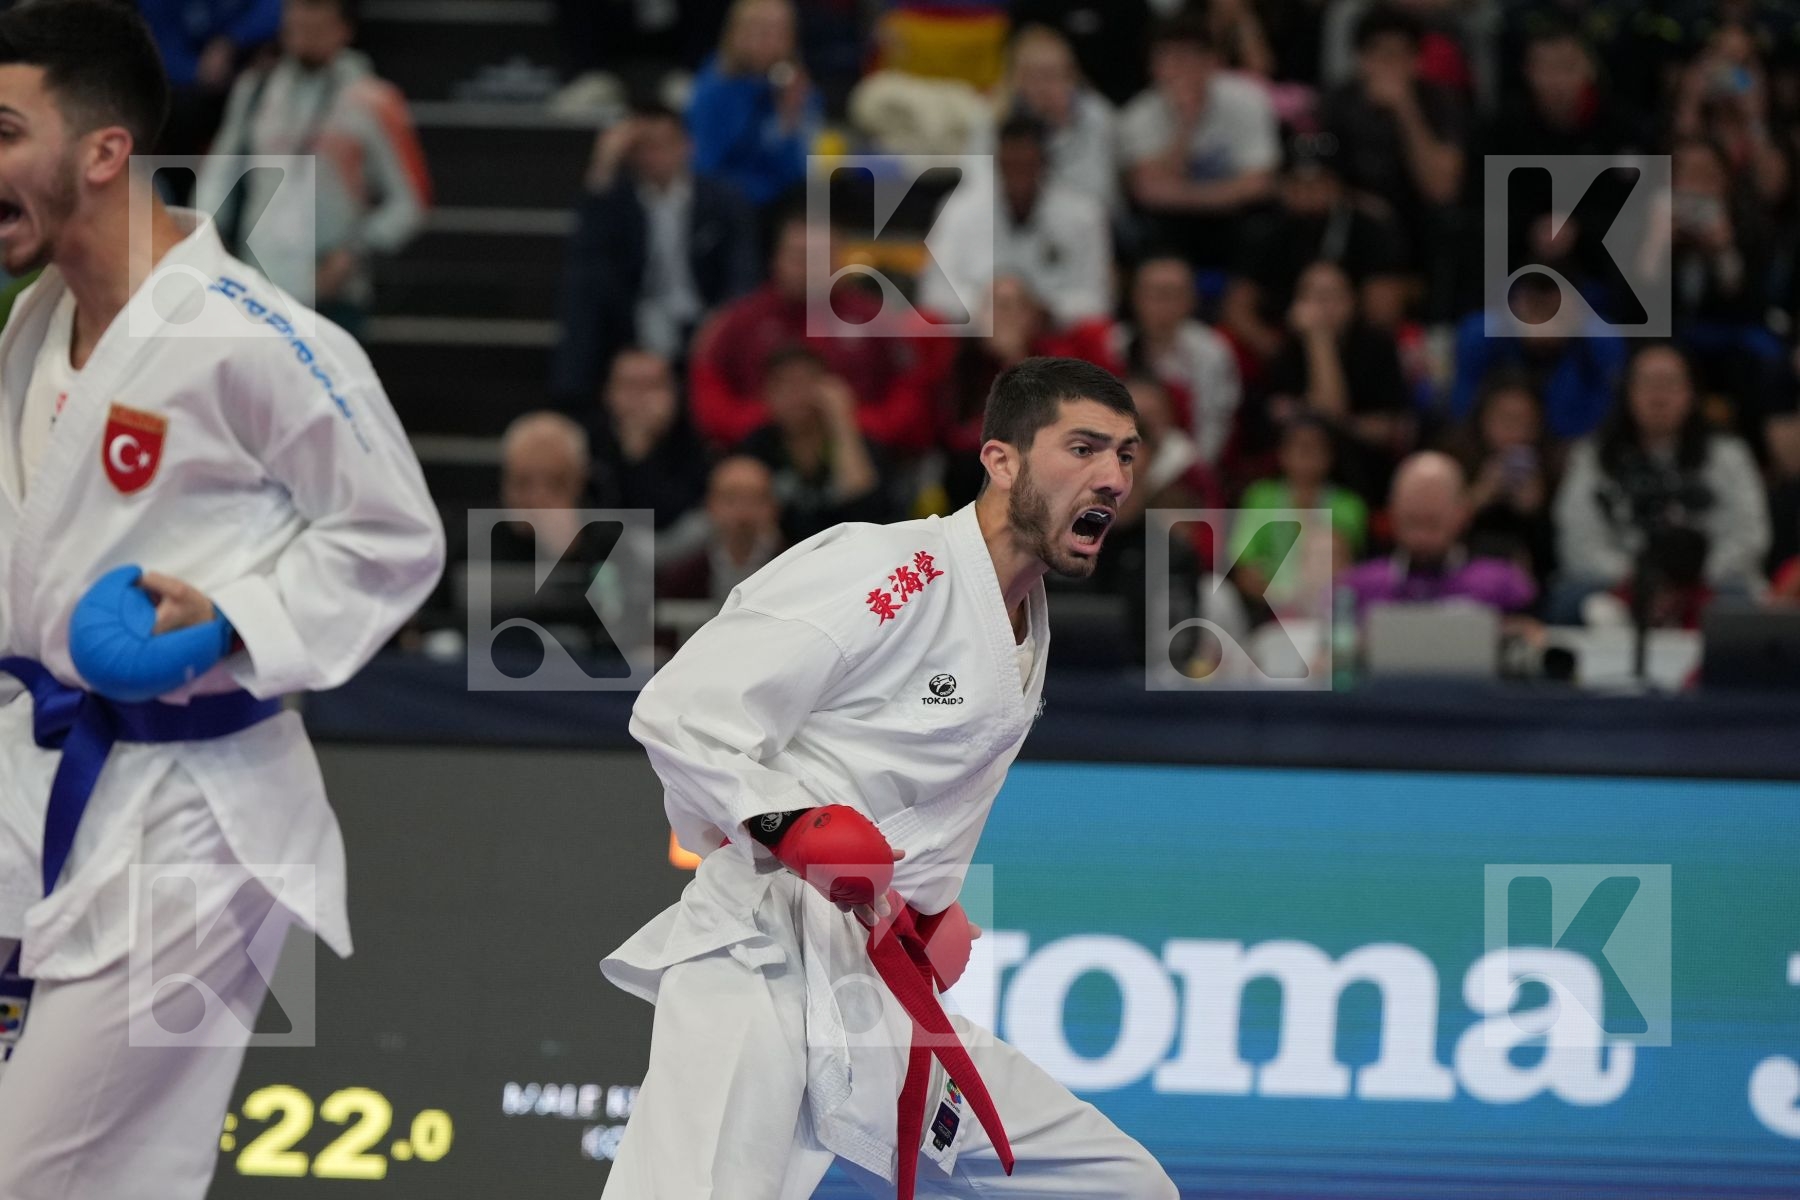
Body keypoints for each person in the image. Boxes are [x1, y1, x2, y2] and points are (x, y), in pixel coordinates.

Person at [0, 6, 444, 1199]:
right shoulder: (35, 325)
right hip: (47, 791)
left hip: (196, 825)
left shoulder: (254, 339)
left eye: (2, 132)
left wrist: (234, 615)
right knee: (121, 1179)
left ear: (101, 152)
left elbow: (397, 536)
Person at [600, 355, 1176, 1200]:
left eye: (1126, 455)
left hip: (872, 982)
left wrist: (931, 906)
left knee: (1125, 1188)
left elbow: (901, 783)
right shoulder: (891, 568)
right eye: (1083, 447)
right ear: (1001, 459)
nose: (1112, 477)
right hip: (757, 953)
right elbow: (680, 707)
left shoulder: (1025, 625)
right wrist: (787, 823)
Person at [197, 0, 431, 339]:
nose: (304, 37)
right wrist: (208, 236)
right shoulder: (257, 89)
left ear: (343, 29)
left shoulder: (373, 100)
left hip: (331, 288)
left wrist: (354, 251)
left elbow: (411, 200)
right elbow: (219, 173)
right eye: (296, 27)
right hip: (259, 281)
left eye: (317, 27)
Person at [550, 105, 758, 406]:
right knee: (583, 291)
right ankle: (574, 403)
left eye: (662, 144)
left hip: (703, 321)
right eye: (643, 147)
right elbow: (587, 255)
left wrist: (718, 323)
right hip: (634, 323)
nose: (653, 156)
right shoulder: (615, 201)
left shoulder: (722, 200)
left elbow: (743, 272)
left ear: (687, 145)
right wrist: (604, 163)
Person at [1550, 343, 1771, 622]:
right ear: (1627, 392)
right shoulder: (1591, 456)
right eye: (1647, 383)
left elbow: (1749, 536)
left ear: (1691, 393)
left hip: (1709, 583)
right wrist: (1641, 583)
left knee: (1743, 601)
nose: (1658, 396)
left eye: (1670, 383)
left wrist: (1692, 582)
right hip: (1619, 585)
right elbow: (1578, 541)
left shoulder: (1729, 455)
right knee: (1569, 598)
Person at [688, 214, 938, 452]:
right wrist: (763, 419)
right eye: (799, 256)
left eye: (820, 257)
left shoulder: (877, 319)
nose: (809, 267)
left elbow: (911, 393)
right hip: (759, 454)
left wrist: (862, 424)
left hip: (862, 451)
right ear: (776, 259)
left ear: (840, 260)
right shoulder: (739, 320)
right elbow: (709, 390)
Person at [1223, 127, 1411, 361]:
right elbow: (1238, 305)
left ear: (1338, 184)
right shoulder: (1266, 229)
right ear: (1283, 186)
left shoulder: (1367, 228)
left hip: (1356, 346)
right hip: (1285, 343)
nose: (1308, 193)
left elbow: (1383, 309)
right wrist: (1279, 354)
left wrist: (1345, 354)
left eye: (1319, 182)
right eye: (1298, 183)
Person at [1117, 15, 1279, 269]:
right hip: (1175, 221)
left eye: (1189, 58)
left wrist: (1189, 195)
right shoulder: (1138, 116)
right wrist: (1185, 128)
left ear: (1211, 61)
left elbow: (1260, 183)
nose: (1180, 69)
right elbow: (1147, 191)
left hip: (1233, 217)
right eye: (1169, 59)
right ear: (1152, 66)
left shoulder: (1248, 98)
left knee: (1266, 224)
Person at [921, 113, 1112, 328]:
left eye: (1027, 164)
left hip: (1051, 332)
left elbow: (1097, 300)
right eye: (1010, 164)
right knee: (924, 324)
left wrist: (1044, 310)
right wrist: (995, 308)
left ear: (1045, 162)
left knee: (1097, 333)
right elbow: (935, 294)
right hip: (978, 332)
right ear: (997, 162)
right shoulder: (958, 209)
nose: (1018, 174)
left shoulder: (1083, 215)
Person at [1258, 259, 1412, 503]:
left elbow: (1334, 413)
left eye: (1331, 296)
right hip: (1298, 471)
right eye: (1312, 297)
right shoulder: (1286, 350)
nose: (1321, 307)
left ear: (1352, 301)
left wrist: (1319, 339)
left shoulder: (1378, 346)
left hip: (1366, 472)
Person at [1337, 452, 1536, 618]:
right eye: (1412, 522)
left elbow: (1535, 636)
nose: (1421, 538)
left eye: (1432, 524)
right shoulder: (1357, 588)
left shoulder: (1503, 585)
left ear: (1461, 515)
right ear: (1393, 515)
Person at [738, 345, 893, 545]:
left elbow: (866, 510)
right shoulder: (756, 447)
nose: (795, 395)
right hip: (779, 558)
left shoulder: (858, 443)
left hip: (848, 550)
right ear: (767, 394)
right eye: (783, 384)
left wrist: (842, 422)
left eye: (805, 382)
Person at [686, 0, 820, 213]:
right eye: (759, 29)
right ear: (735, 33)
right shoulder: (713, 87)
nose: (769, 40)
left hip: (784, 205)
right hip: (725, 205)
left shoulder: (799, 90)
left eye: (779, 31)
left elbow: (803, 168)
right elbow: (706, 166)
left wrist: (789, 116)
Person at [1113, 253, 1242, 469]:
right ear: (1135, 297)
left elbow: (1214, 426)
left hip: (1182, 464)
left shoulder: (1211, 351)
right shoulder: (1115, 344)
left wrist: (1194, 473)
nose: (1162, 304)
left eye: (1172, 294)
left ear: (1191, 299)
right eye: (1154, 294)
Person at [977, 24, 1118, 209]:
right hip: (1009, 221)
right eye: (1033, 76)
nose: (1043, 88)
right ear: (1016, 80)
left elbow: (1100, 195)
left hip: (1083, 223)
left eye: (1052, 75)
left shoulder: (1097, 116)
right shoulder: (994, 117)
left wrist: (1062, 129)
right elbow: (978, 187)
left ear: (1071, 76)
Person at [1444, 372, 1559, 586]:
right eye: (1505, 419)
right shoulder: (1454, 461)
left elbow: (1558, 559)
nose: (1514, 431)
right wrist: (1476, 499)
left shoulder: (1553, 466)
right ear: (1483, 419)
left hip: (1533, 581)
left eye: (1525, 421)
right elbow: (1433, 539)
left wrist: (1537, 514)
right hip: (1461, 574)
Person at [657, 455, 785, 606]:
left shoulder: (794, 571)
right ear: (710, 505)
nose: (743, 513)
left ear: (773, 507)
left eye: (755, 499)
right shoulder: (680, 579)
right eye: (731, 500)